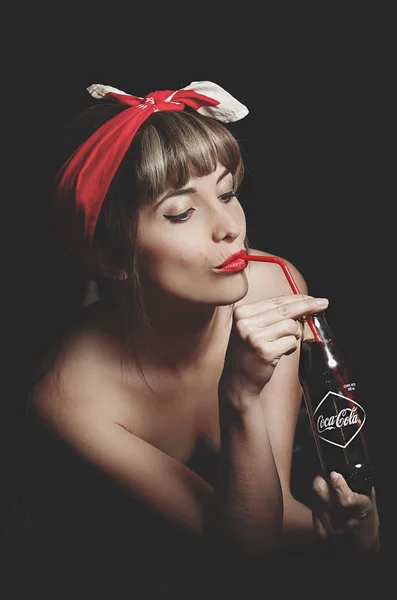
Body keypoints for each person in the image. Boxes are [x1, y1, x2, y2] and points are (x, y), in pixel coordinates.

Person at [21, 80, 380, 596]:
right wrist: (238, 394)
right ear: (113, 258)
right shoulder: (70, 395)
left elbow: (271, 512)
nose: (229, 227)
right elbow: (246, 554)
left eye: (228, 192)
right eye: (181, 212)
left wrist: (360, 537)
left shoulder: (271, 287)